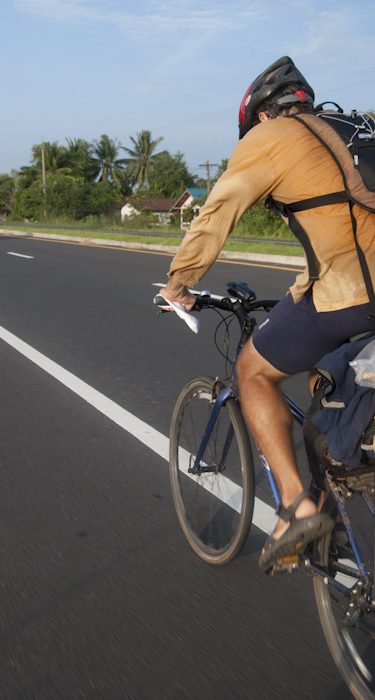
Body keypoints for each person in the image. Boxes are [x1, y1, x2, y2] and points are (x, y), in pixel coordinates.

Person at [159, 56, 375, 573]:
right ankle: (333, 513)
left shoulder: (271, 137)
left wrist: (180, 280)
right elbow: (343, 222)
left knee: (253, 371)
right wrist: (301, 292)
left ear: (261, 115)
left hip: (354, 295)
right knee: (325, 388)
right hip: (347, 285)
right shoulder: (353, 128)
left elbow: (218, 211)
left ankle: (298, 509)